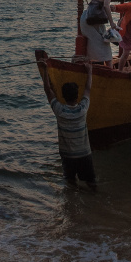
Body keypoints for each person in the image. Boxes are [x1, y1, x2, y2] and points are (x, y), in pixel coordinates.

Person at [39, 59, 96, 189]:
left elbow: (48, 90)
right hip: (84, 154)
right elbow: (88, 89)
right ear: (77, 97)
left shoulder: (59, 110)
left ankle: (71, 205)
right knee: (91, 184)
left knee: (70, 183)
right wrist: (90, 71)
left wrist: (45, 69)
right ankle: (94, 203)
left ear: (63, 97)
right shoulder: (83, 109)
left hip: (67, 156)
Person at [79, 0, 123, 65]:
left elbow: (96, 4)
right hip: (94, 20)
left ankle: (91, 66)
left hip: (86, 17)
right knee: (105, 46)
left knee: (94, 44)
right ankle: (110, 71)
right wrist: (112, 23)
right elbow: (106, 5)